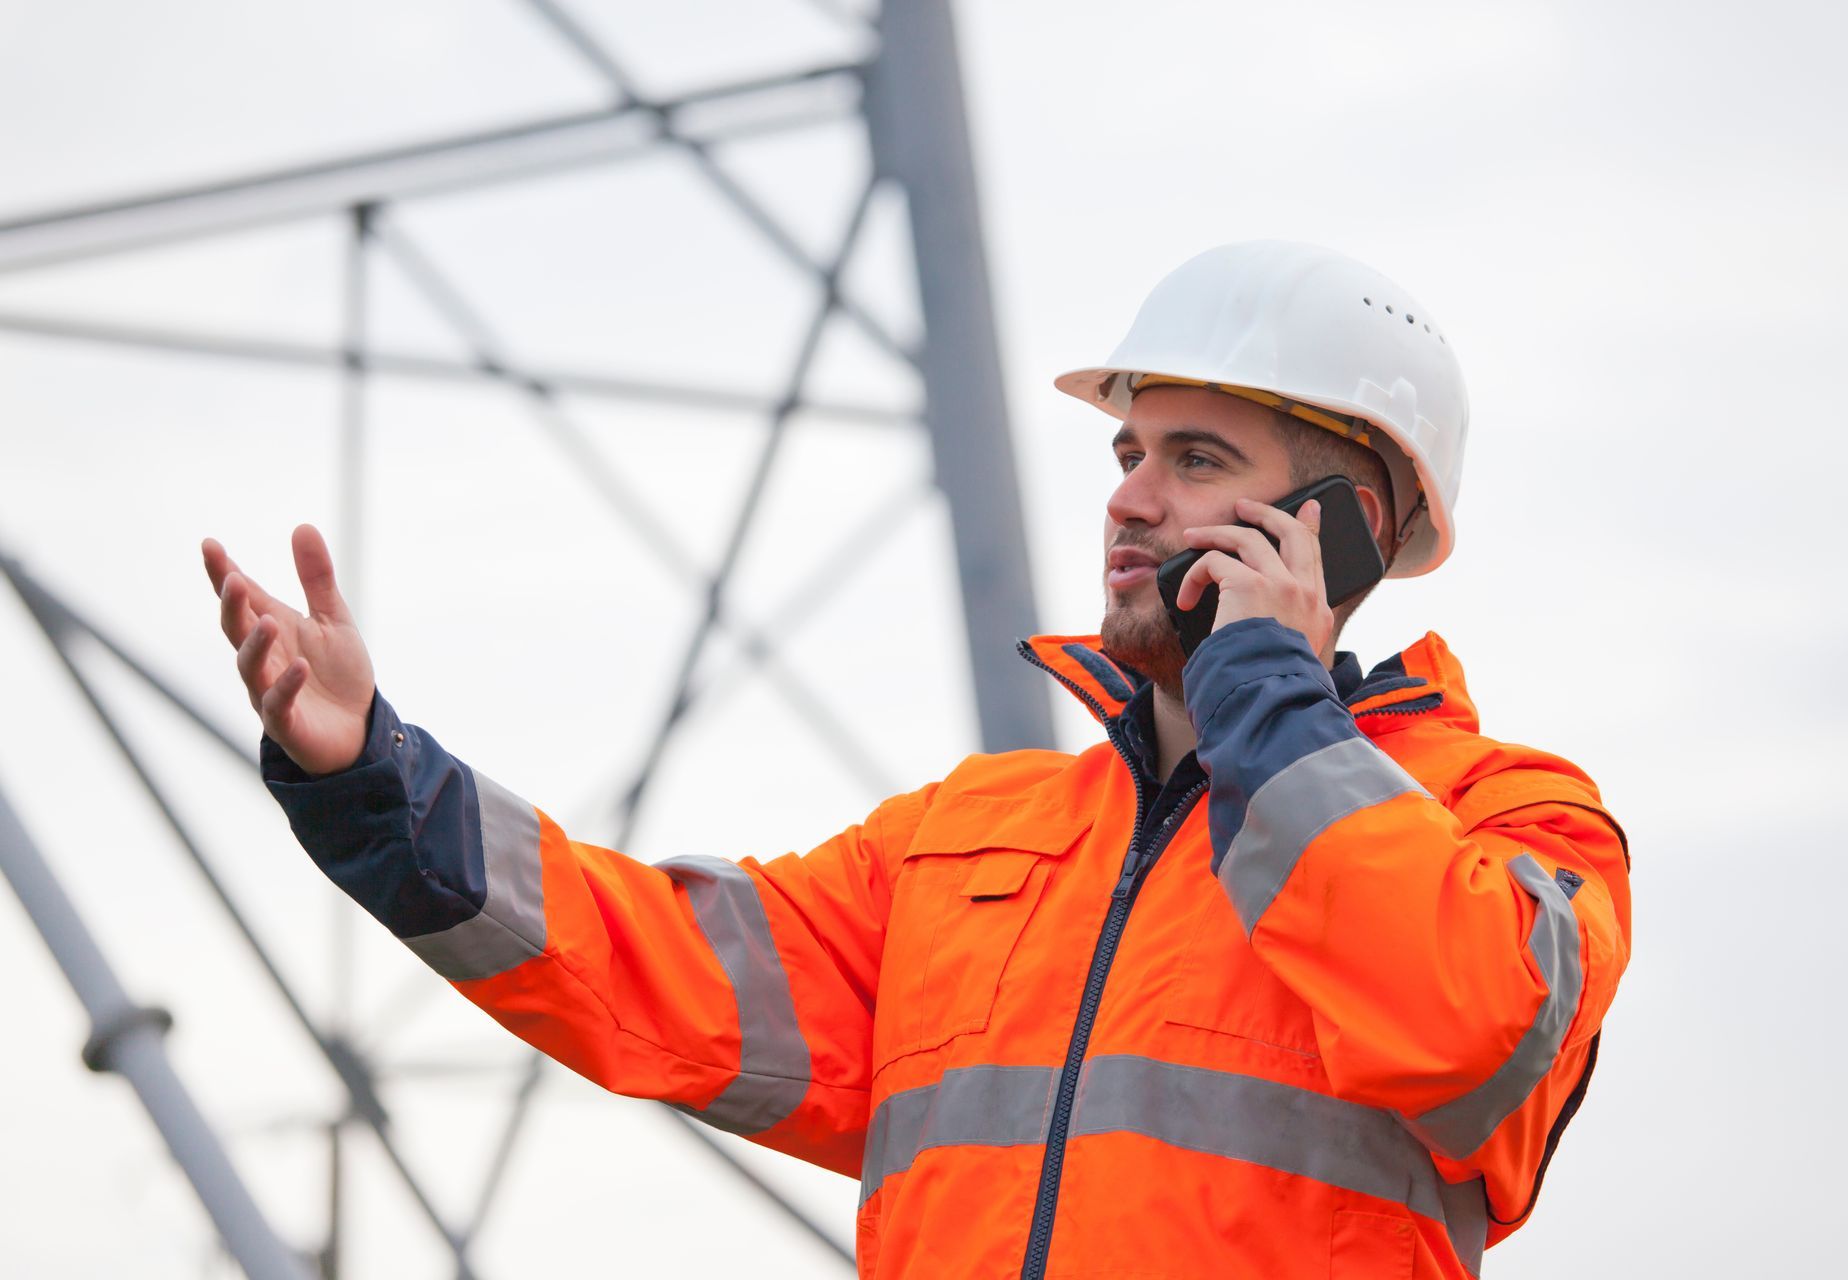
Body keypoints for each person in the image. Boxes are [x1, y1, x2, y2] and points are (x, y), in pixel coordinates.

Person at [203, 242, 1629, 1279]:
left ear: (1350, 524)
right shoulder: (970, 841)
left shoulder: (1513, 824)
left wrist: (1268, 700)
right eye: (1129, 451)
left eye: (1196, 460)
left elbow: (1476, 1043)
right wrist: (374, 779)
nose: (1128, 497)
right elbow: (647, 966)